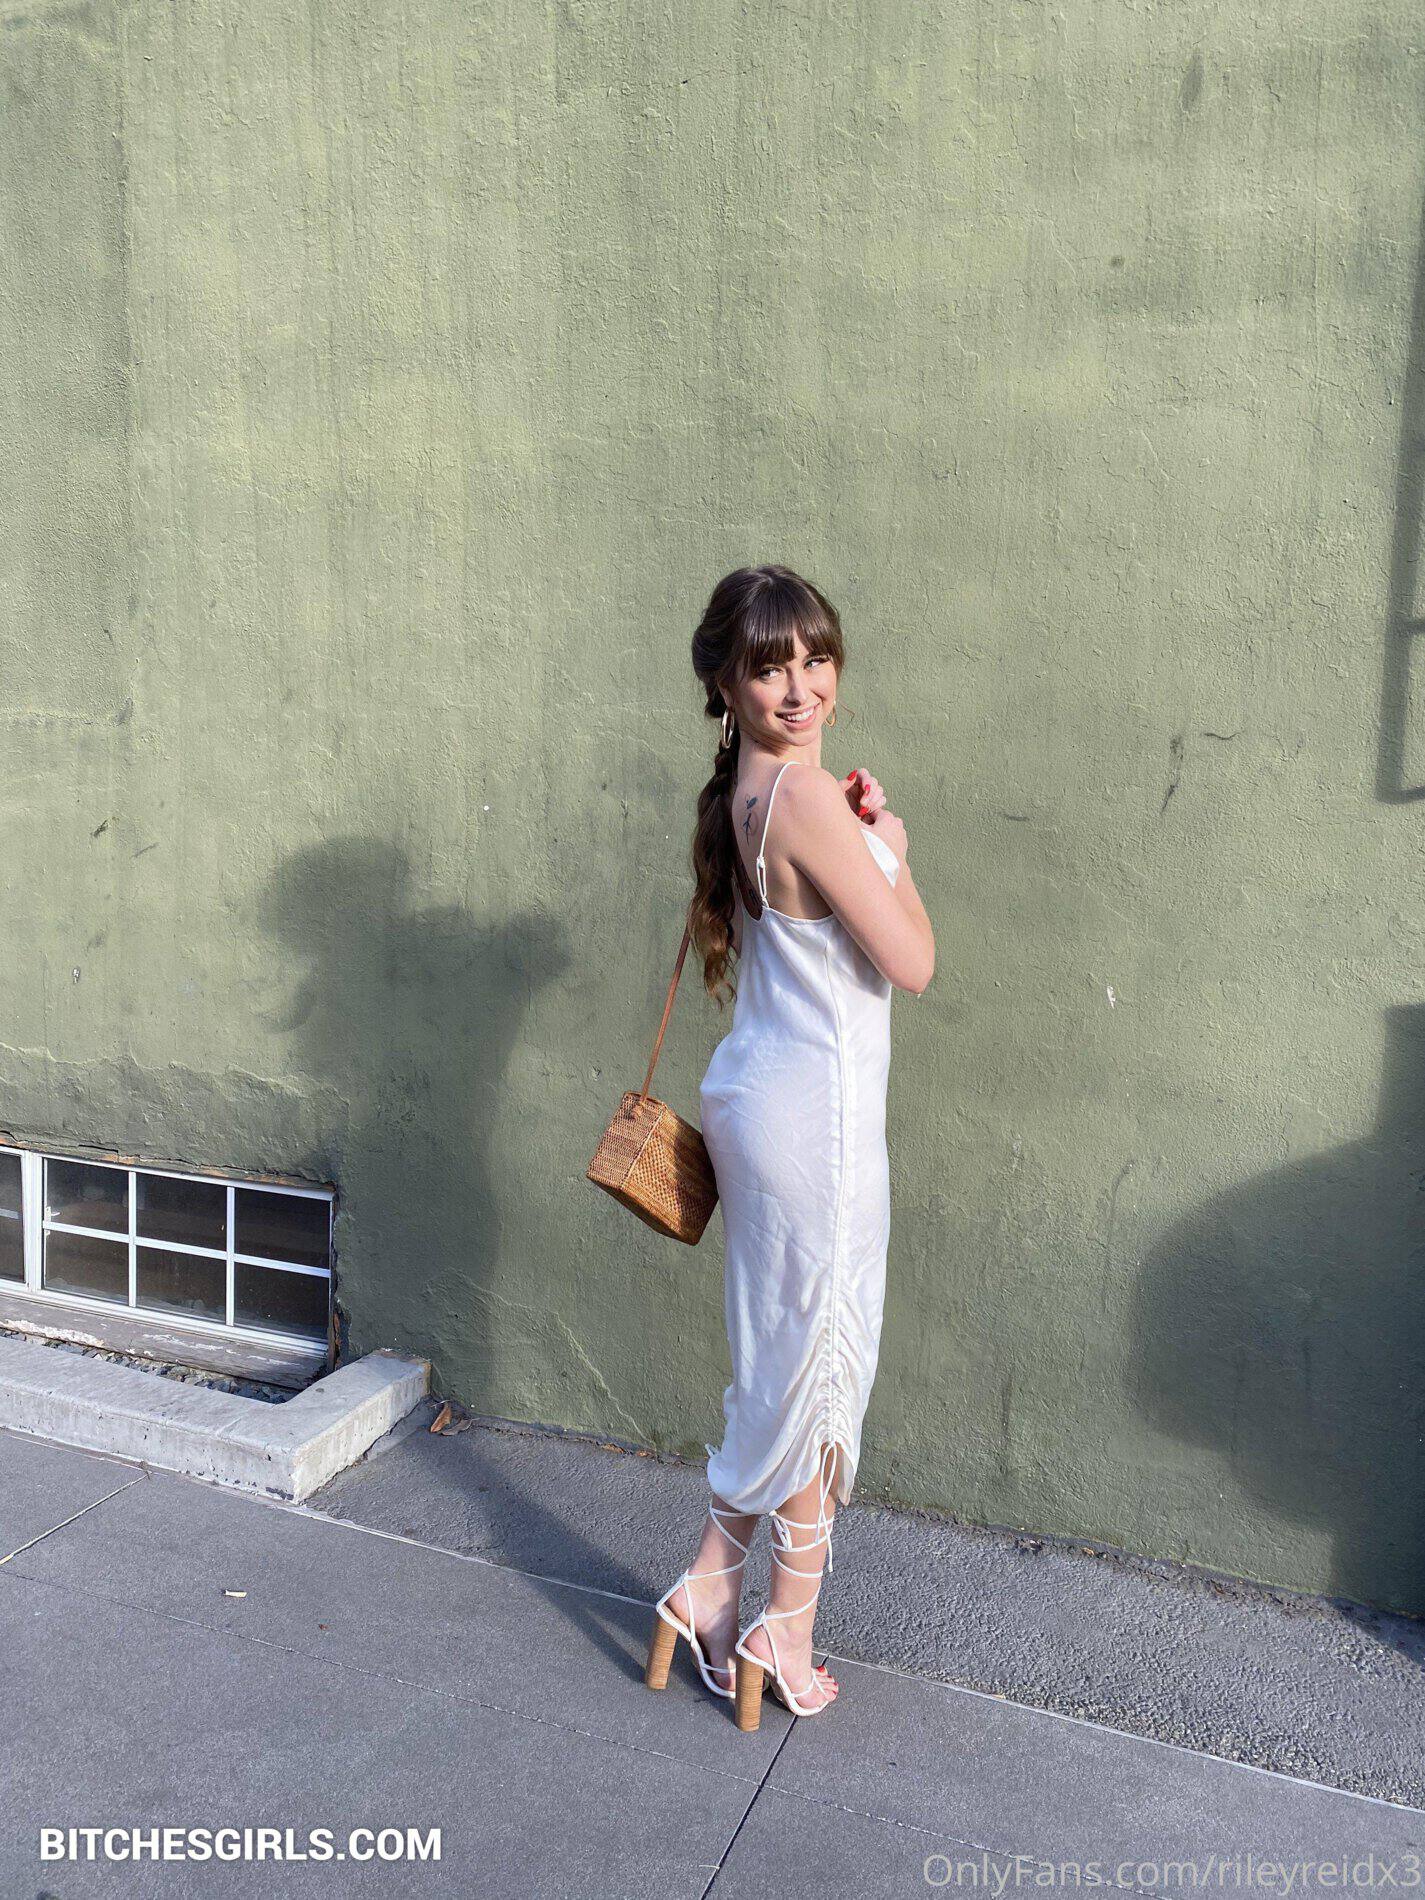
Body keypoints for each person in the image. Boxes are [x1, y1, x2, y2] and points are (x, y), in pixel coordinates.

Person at [644, 564, 934, 1731]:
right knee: (817, 1372)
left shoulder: (747, 794)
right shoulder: (808, 798)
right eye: (771, 667)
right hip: (817, 1120)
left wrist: (865, 843)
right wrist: (892, 846)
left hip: (762, 1103)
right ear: (726, 683)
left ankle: (709, 1590)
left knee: (779, 1361)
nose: (802, 686)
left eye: (817, 658)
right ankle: (787, 1630)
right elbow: (912, 961)